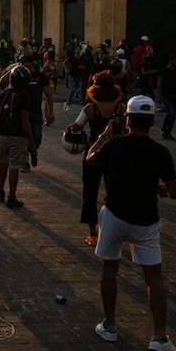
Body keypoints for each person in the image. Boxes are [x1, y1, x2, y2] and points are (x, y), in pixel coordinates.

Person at [86, 95, 176, 351]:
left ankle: (109, 325)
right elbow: (175, 192)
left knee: (111, 268)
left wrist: (105, 135)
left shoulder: (115, 146)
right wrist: (160, 189)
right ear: (153, 121)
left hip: (115, 216)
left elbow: (91, 159)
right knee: (154, 278)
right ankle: (160, 337)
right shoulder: (160, 152)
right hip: (146, 221)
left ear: (127, 120)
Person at [67, 70, 126, 246]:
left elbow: (76, 127)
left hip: (94, 151)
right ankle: (114, 231)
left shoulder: (90, 108)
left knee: (90, 193)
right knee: (114, 192)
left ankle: (93, 234)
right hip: (116, 152)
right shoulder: (121, 108)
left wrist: (72, 128)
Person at [0, 65, 33, 208]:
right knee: (14, 166)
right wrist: (30, 141)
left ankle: (0, 192)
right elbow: (25, 122)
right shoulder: (24, 98)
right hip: (18, 137)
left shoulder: (2, 94)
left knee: (2, 165)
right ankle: (11, 197)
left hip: (2, 135)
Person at [156, 52, 176, 140]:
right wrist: (159, 95)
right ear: (171, 61)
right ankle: (164, 129)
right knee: (171, 113)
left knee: (173, 115)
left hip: (174, 95)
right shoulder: (163, 71)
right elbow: (159, 84)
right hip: (166, 94)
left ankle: (167, 131)